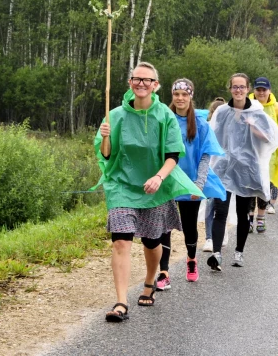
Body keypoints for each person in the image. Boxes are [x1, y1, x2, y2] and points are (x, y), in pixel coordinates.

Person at [95, 62, 204, 323]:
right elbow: (107, 155)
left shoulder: (164, 116)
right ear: (130, 83)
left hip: (154, 187)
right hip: (121, 185)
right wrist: (105, 136)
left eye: (147, 80)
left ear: (155, 85)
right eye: (136, 79)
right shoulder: (116, 115)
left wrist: (158, 177)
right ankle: (121, 301)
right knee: (121, 241)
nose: (141, 84)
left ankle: (149, 281)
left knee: (152, 242)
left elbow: (172, 155)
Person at [207, 73, 278, 269]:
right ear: (230, 89)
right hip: (224, 168)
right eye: (235, 87)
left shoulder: (257, 113)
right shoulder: (222, 112)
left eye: (242, 87)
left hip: (247, 169)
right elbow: (212, 137)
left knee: (243, 212)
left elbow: (271, 138)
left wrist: (253, 127)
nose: (238, 90)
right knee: (220, 210)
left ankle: (238, 253)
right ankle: (216, 254)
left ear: (248, 89)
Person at [157, 80, 226, 290]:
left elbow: (205, 156)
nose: (179, 98)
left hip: (190, 183)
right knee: (164, 227)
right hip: (167, 183)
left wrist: (199, 184)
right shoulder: (164, 120)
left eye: (184, 94)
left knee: (189, 227)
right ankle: (164, 271)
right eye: (176, 94)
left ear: (190, 96)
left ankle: (191, 259)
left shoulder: (200, 124)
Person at [247, 77, 278, 230]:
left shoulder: (277, 108)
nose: (261, 92)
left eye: (264, 90)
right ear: (254, 90)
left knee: (264, 187)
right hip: (248, 153)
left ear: (269, 90)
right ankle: (249, 218)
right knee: (249, 188)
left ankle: (261, 217)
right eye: (258, 89)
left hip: (270, 155)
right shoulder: (247, 105)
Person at [202, 97, 228, 253]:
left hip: (225, 170)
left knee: (221, 205)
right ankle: (209, 237)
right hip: (210, 169)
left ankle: (220, 234)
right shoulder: (205, 127)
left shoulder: (229, 127)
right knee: (211, 203)